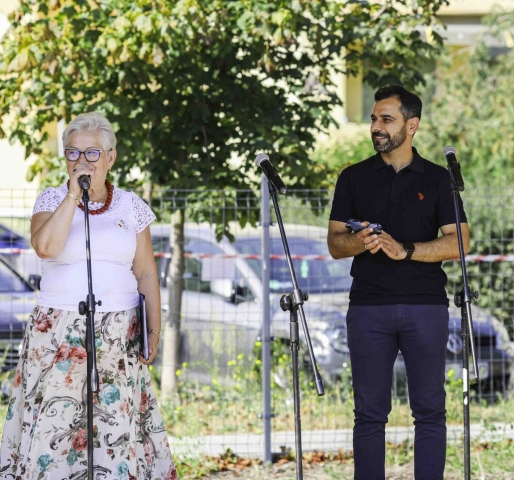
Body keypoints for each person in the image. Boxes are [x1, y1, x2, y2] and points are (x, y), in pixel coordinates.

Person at [0, 112, 178, 479]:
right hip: (57, 335)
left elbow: (145, 272)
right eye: (73, 153)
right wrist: (71, 195)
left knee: (114, 427)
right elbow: (45, 247)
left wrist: (153, 332)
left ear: (111, 157)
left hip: (119, 335)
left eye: (93, 153)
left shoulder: (131, 207)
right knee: (55, 427)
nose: (82, 161)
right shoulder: (50, 200)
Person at [327, 85, 469, 480]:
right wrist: (361, 240)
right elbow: (336, 244)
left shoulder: (439, 179)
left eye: (386, 119)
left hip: (426, 307)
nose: (376, 126)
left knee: (430, 411)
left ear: (412, 125)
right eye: (373, 118)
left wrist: (404, 249)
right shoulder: (352, 177)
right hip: (368, 309)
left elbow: (459, 242)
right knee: (369, 414)